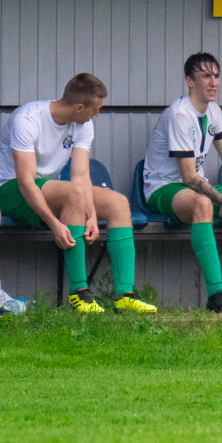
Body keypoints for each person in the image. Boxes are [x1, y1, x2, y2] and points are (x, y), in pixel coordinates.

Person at [0, 73, 157, 313]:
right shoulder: (27, 119)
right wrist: (54, 224)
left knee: (118, 203)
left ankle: (124, 295)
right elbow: (25, 182)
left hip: (48, 189)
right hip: (10, 190)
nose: (97, 114)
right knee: (73, 193)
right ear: (79, 107)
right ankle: (79, 294)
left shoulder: (84, 124)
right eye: (95, 109)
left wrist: (91, 215)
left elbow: (81, 176)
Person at [143, 53, 222, 313]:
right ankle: (217, 296)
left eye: (217, 76)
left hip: (197, 185)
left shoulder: (214, 110)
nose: (213, 82)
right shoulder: (179, 114)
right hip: (163, 188)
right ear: (189, 81)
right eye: (205, 76)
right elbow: (188, 177)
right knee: (202, 204)